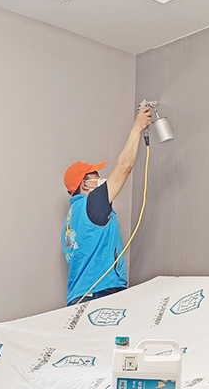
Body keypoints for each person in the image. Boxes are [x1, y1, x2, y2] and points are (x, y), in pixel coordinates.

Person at [62, 106, 152, 306]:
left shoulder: (72, 217)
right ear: (85, 185)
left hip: (78, 299)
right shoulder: (92, 204)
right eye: (96, 176)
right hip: (100, 295)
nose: (101, 179)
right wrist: (137, 128)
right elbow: (124, 168)